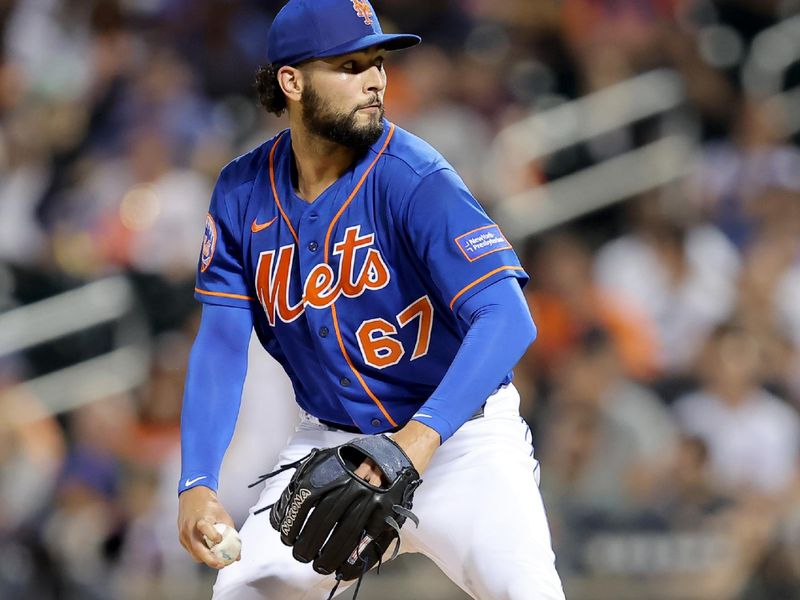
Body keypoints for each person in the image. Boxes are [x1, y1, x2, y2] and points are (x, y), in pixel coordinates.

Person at [176, 1, 565, 598]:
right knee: (246, 591)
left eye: (378, 62)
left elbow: (507, 316)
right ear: (293, 81)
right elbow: (223, 344)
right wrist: (197, 482)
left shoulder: (413, 177)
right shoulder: (241, 191)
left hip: (461, 443)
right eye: (351, 65)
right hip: (335, 444)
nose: (376, 79)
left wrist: (415, 443)